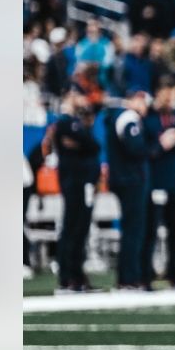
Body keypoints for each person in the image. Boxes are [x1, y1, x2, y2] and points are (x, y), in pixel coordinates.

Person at [143, 76, 175, 289]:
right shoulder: (148, 117)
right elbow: (143, 150)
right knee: (150, 232)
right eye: (166, 92)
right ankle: (145, 275)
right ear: (158, 93)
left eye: (173, 93)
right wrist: (161, 143)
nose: (170, 98)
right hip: (155, 181)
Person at [52, 91, 101, 293]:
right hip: (74, 181)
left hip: (84, 181)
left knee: (81, 230)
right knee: (72, 228)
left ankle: (77, 274)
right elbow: (89, 144)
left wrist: (82, 141)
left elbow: (92, 145)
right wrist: (83, 141)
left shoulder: (78, 123)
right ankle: (67, 276)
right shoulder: (65, 122)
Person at [105, 90, 153, 290]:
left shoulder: (121, 118)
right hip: (130, 179)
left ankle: (128, 276)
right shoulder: (128, 119)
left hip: (125, 178)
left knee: (131, 229)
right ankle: (128, 278)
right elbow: (136, 149)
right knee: (133, 230)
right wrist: (157, 146)